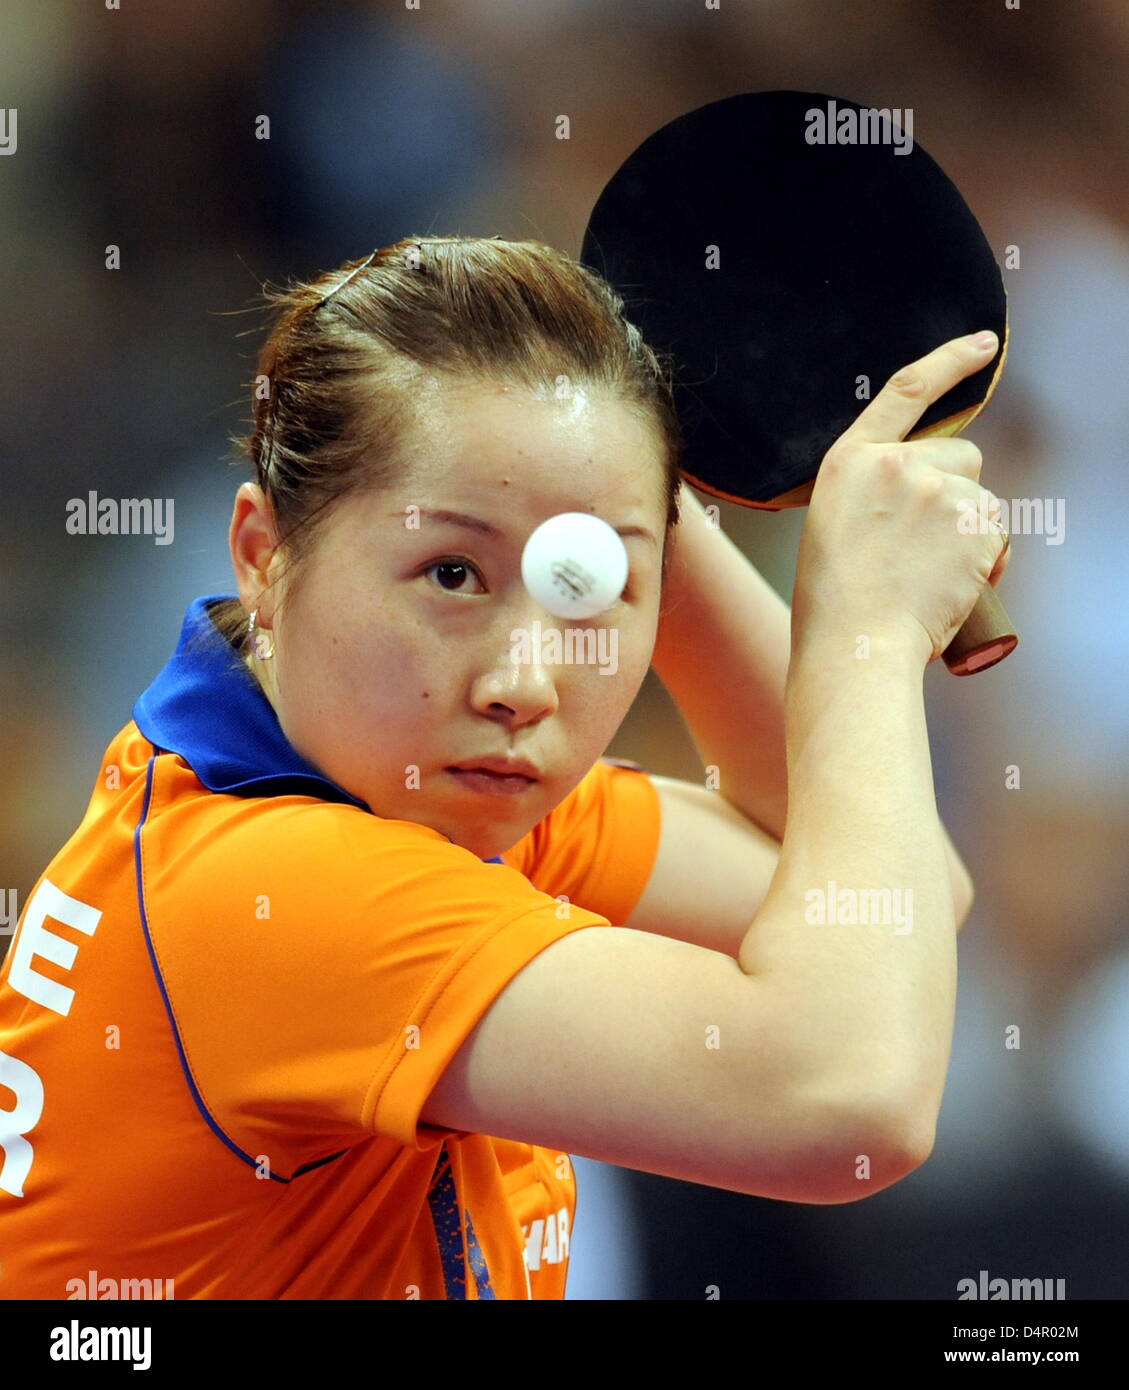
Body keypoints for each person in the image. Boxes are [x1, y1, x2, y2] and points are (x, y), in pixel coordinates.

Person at [0, 237, 1007, 1300]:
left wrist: (632, 479)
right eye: (450, 572)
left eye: (588, 580)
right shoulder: (272, 892)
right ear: (261, 552)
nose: (523, 683)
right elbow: (847, 1099)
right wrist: (865, 630)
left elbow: (893, 899)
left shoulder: (417, 791)